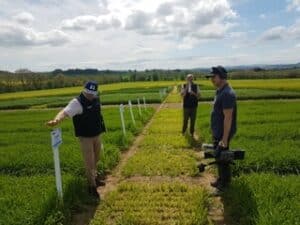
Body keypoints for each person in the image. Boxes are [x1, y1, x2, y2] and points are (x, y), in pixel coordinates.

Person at [46, 81, 106, 199]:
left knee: (97, 158)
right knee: (89, 162)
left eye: (92, 93)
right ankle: (91, 187)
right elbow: (64, 112)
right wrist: (56, 120)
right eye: (88, 93)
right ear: (84, 90)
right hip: (85, 137)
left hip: (97, 134)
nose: (90, 95)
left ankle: (94, 177)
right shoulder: (77, 102)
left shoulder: (96, 98)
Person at [205, 66, 237, 191]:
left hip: (223, 133)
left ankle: (225, 185)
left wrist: (224, 139)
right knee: (218, 157)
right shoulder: (220, 91)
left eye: (214, 77)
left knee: (223, 158)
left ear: (222, 77)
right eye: (211, 77)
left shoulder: (228, 94)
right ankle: (221, 179)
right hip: (218, 131)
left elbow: (228, 118)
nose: (211, 79)